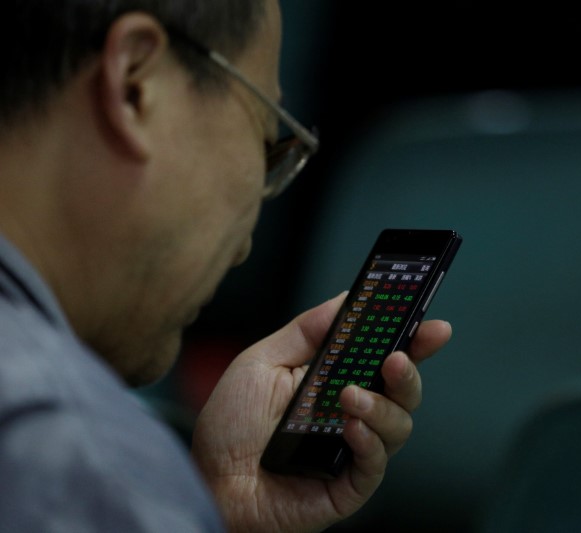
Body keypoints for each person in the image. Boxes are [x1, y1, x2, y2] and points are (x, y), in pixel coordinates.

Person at [0, 1, 452, 531]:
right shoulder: (79, 459)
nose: (243, 249)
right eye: (266, 139)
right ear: (136, 85)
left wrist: (210, 509)